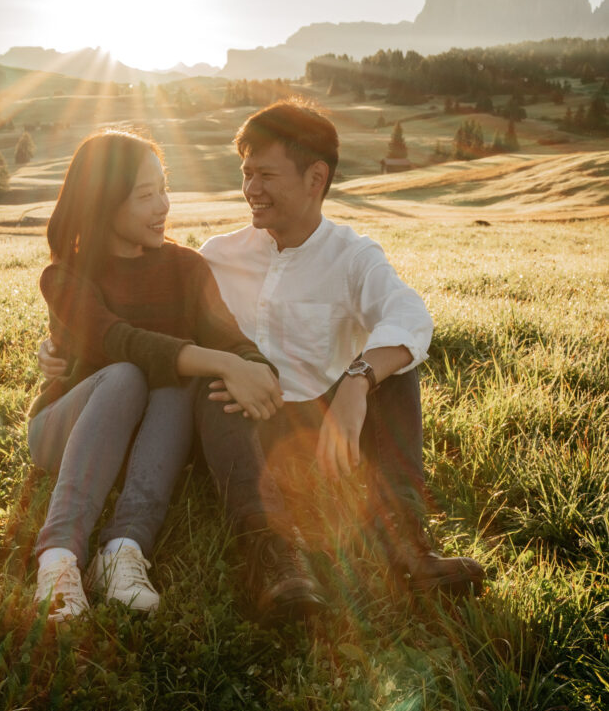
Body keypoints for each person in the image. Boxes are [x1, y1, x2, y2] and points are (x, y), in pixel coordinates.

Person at [29, 129, 324, 622]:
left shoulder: (186, 267)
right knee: (127, 373)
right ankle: (58, 558)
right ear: (103, 203)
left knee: (178, 380)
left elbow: (231, 341)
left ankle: (123, 549)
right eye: (146, 195)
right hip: (65, 431)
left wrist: (252, 368)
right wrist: (221, 362)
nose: (163, 205)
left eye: (164, 188)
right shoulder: (63, 276)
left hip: (149, 440)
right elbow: (122, 341)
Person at [199, 99, 484, 597]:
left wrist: (357, 382)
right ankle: (273, 556)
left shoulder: (353, 255)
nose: (251, 190)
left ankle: (408, 548)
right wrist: (65, 350)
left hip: (324, 419)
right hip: (240, 427)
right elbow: (152, 319)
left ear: (316, 178)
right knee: (214, 382)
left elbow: (409, 316)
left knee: (393, 366)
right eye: (246, 173)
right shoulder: (217, 255)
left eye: (266, 174)